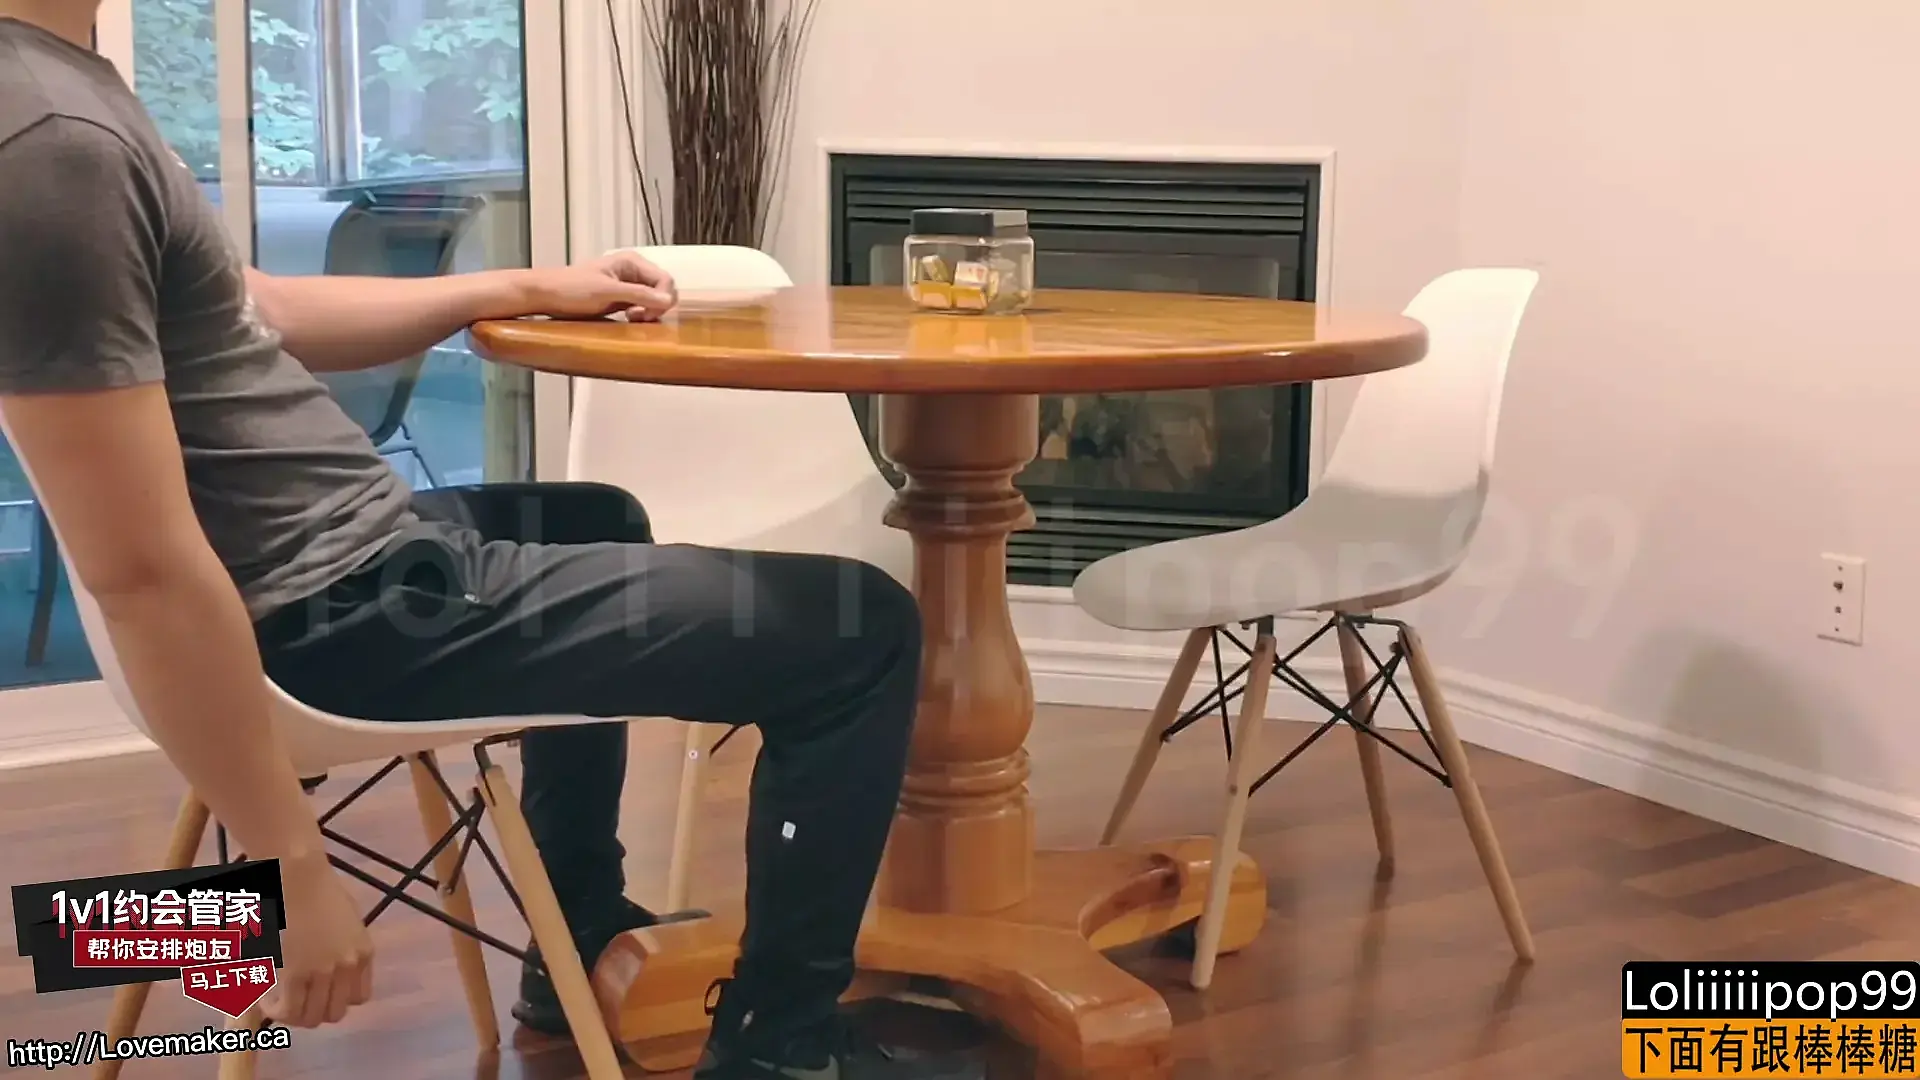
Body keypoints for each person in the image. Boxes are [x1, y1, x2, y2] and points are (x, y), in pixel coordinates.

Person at [0, 6, 982, 1078]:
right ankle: (780, 1046)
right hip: (341, 613)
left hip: (351, 559)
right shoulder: (52, 143)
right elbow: (140, 574)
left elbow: (264, 309)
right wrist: (291, 866)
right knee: (860, 629)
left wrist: (524, 286)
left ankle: (576, 933)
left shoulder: (64, 88)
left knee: (594, 513)